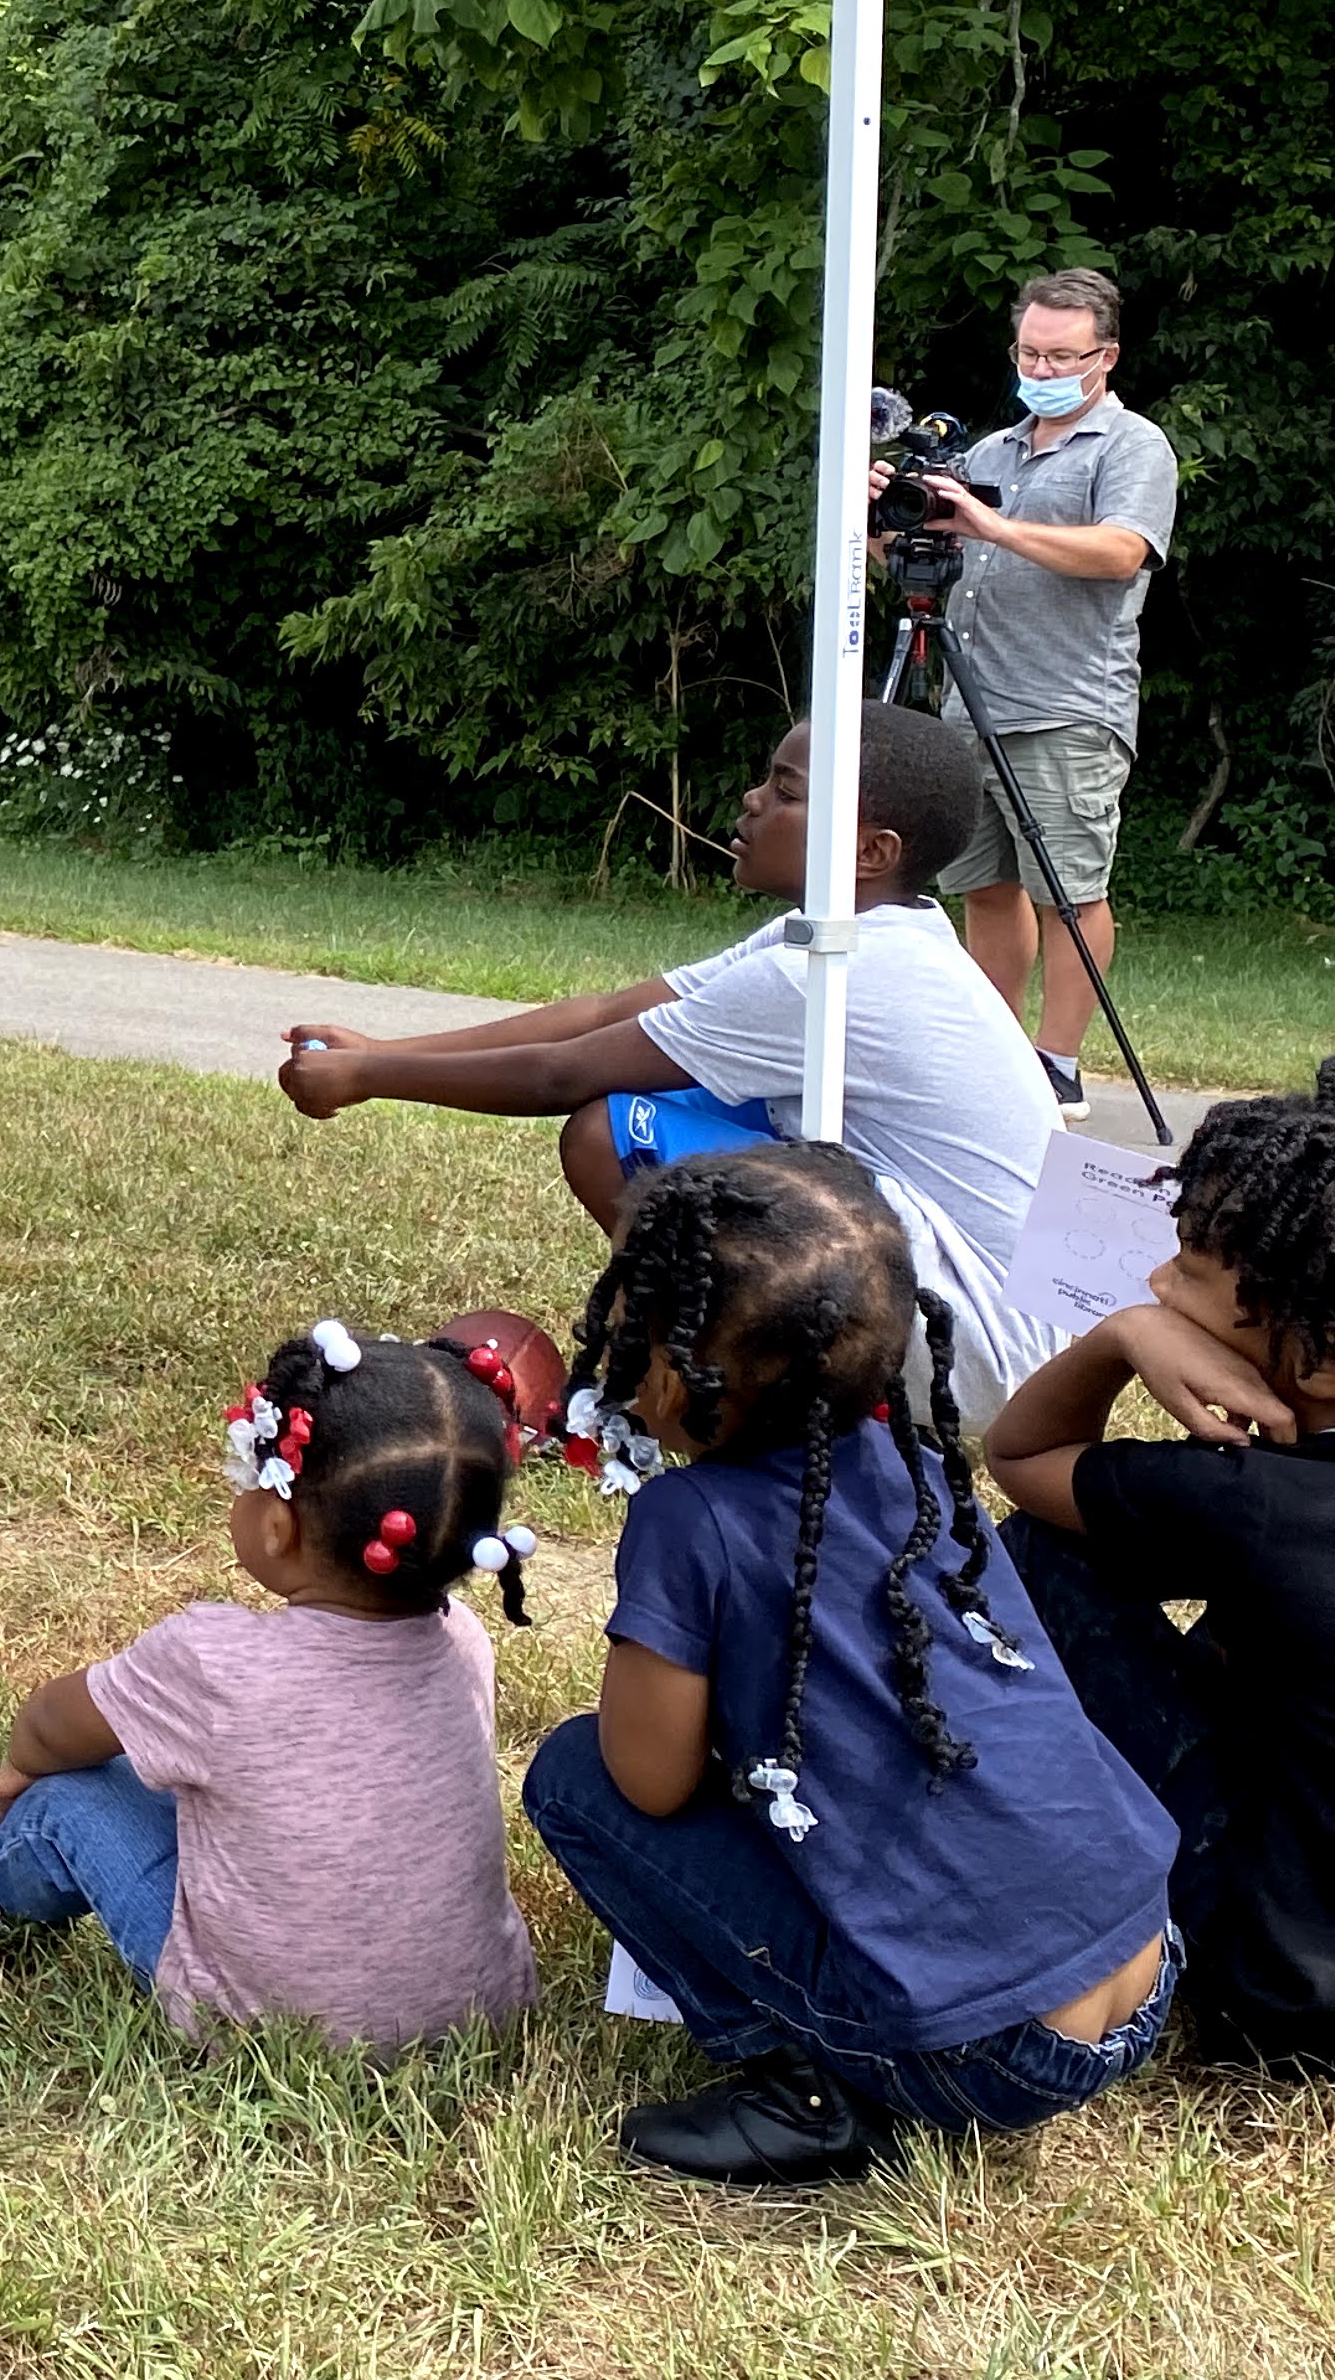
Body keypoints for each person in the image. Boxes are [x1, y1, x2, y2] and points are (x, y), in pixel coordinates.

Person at [520, 1144, 1175, 2185]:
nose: (629, 1367)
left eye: (646, 1339)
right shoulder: (916, 1463)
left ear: (691, 1375)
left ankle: (801, 2089)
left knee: (571, 1776)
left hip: (992, 2055)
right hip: (1148, 1960)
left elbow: (646, 1779)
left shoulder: (689, 1519)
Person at [279, 707, 1056, 1411]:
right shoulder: (852, 935)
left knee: (607, 1134)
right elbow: (612, 1014)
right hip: (985, 1318)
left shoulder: (838, 973)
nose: (753, 800)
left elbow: (568, 1073)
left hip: (968, 1346)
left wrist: (369, 1079)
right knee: (684, 1099)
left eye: (787, 792)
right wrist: (379, 1050)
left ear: (869, 850)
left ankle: (688, 1391)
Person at [0, 1321, 542, 2052]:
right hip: (476, 2011)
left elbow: (50, 1723)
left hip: (269, 2028)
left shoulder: (214, 1661)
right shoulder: (464, 1643)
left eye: (247, 1475)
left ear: (277, 1528)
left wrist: (19, 1770)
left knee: (69, 1795)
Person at [983, 1066, 1335, 2069]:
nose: (1159, 1288)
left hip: (1277, 1988)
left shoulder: (1229, 1496)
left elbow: (1017, 1460)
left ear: (1310, 1362)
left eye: (1190, 1274)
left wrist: (1121, 1341)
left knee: (1047, 1553)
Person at [874, 268, 1181, 1123]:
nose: (1040, 365)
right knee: (984, 885)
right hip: (967, 700)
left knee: (1068, 888)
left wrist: (993, 522)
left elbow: (1123, 551)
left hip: (1068, 703)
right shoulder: (990, 451)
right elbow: (926, 564)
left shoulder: (1132, 447)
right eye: (1028, 350)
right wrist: (886, 524)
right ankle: (994, 1054)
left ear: (1104, 356)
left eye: (1060, 353)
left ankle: (1058, 1064)